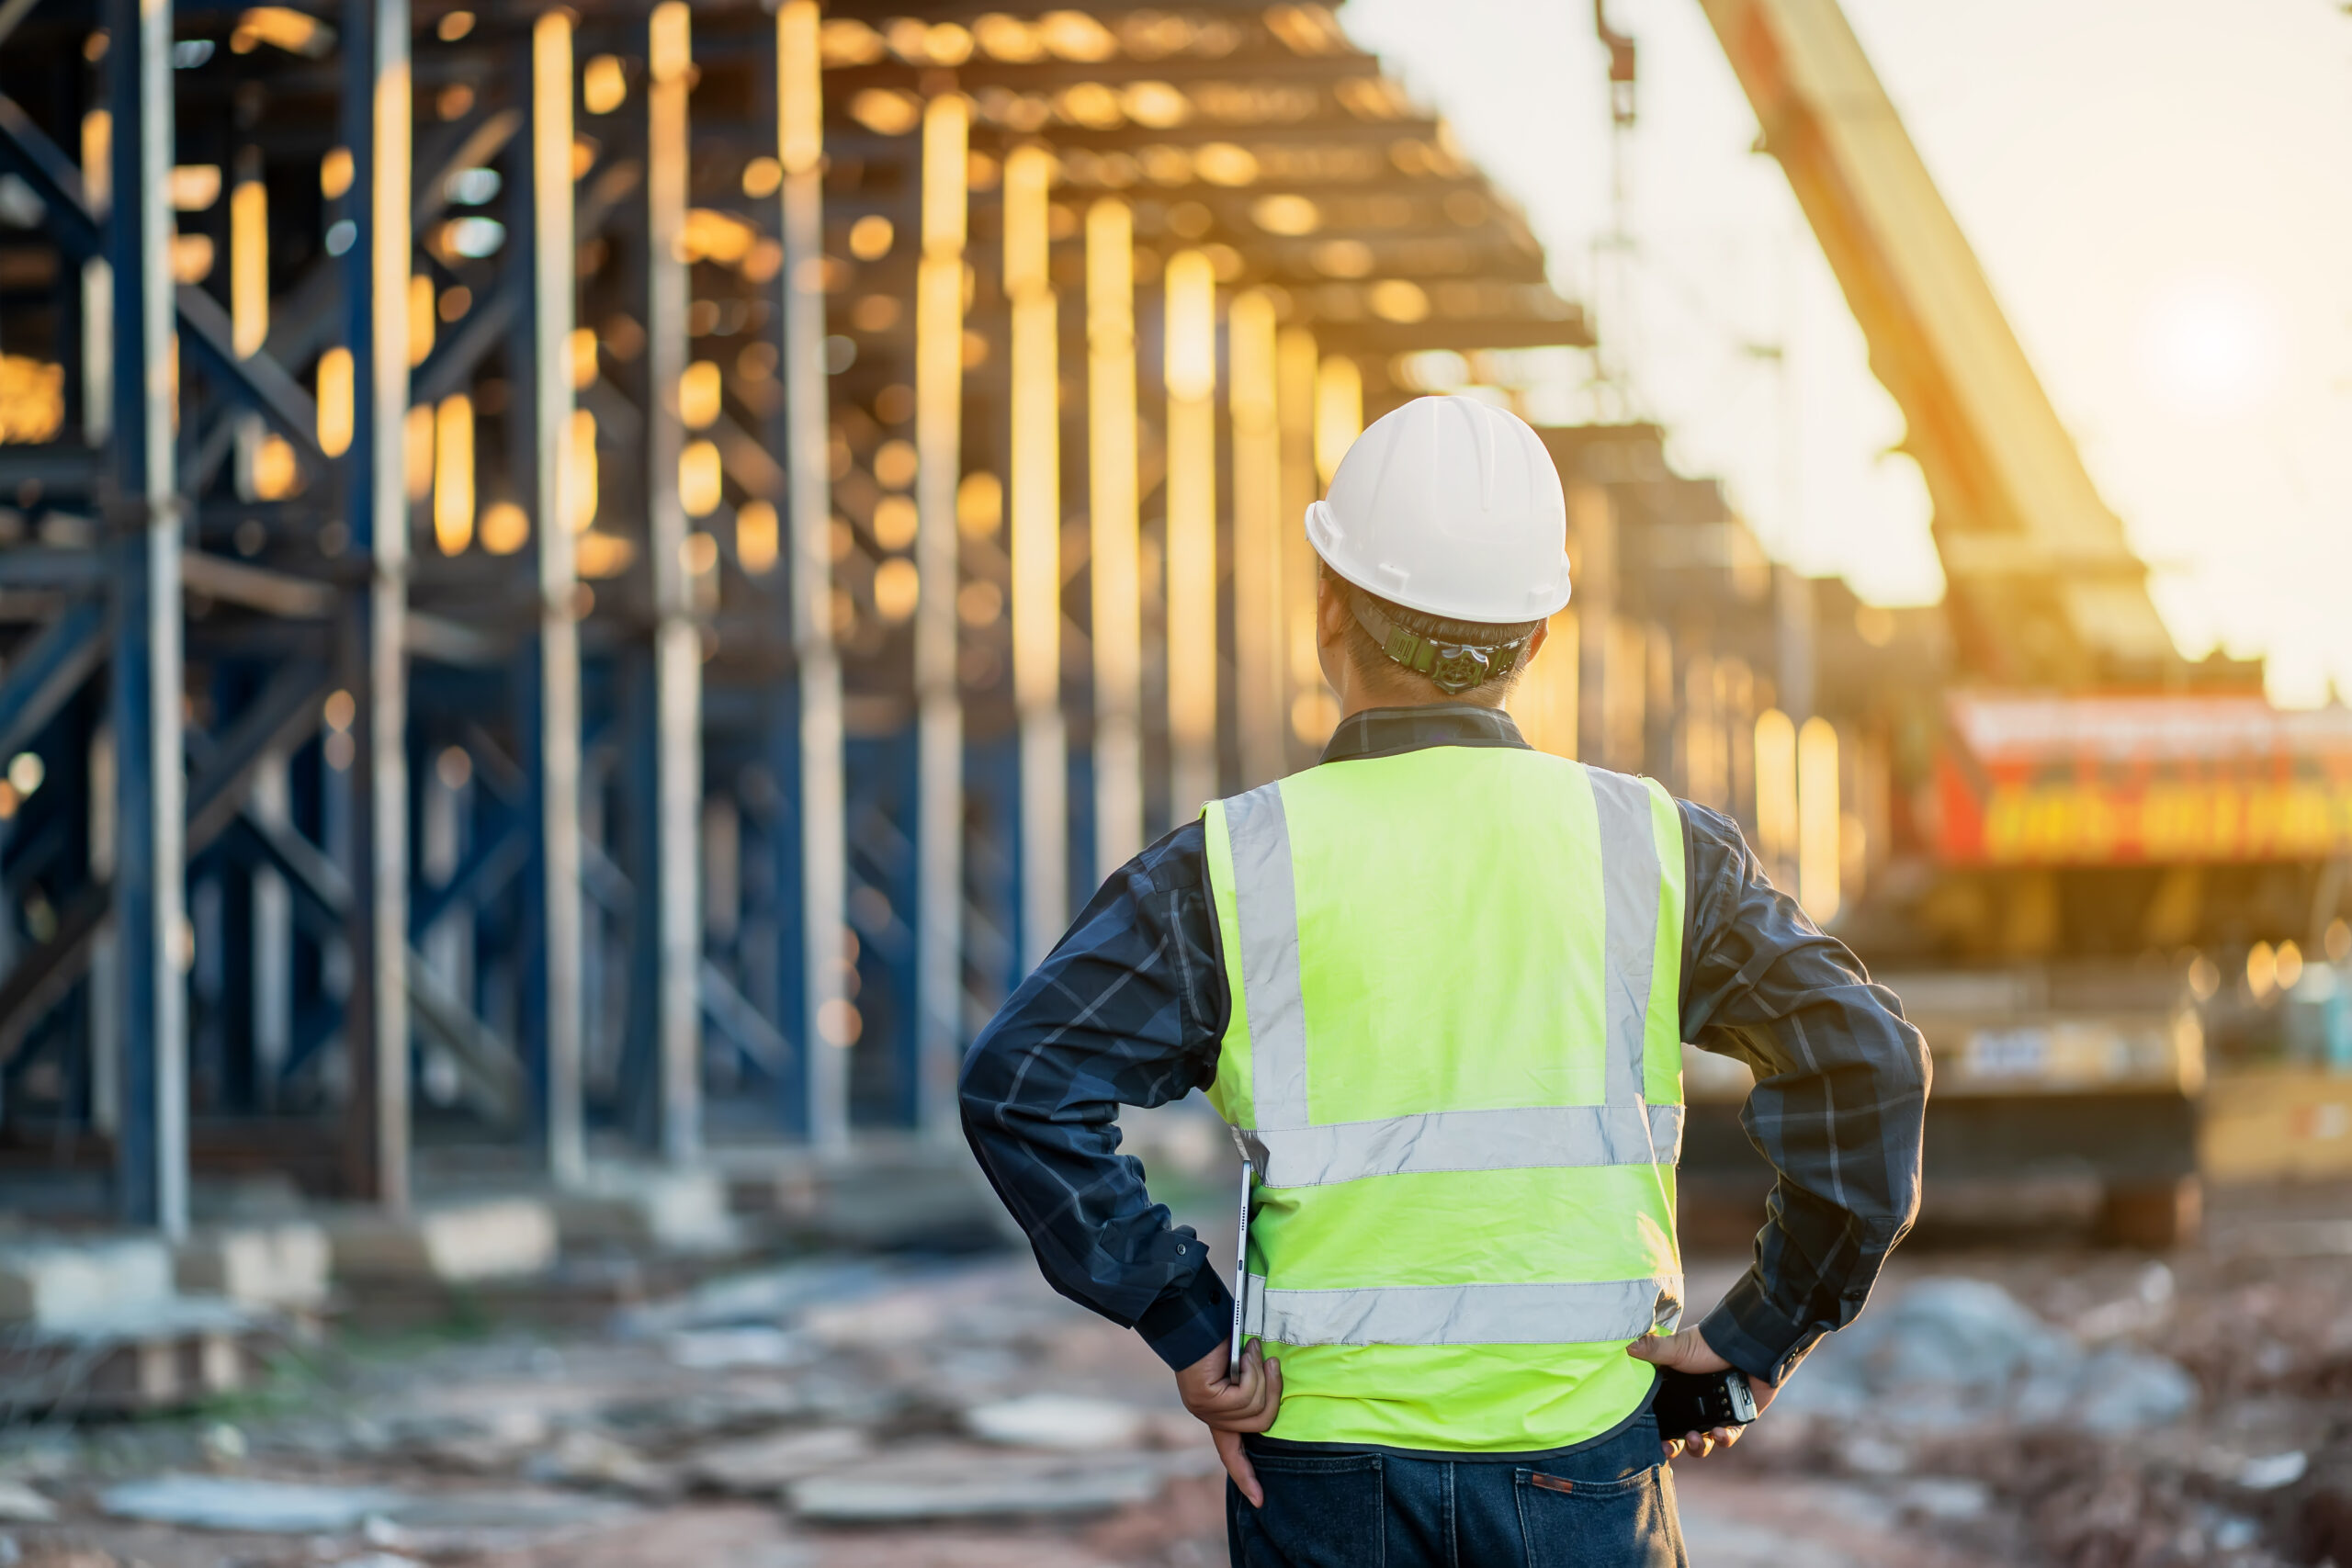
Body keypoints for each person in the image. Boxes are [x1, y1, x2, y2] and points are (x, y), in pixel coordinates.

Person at [961, 396, 1928, 1567]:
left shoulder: (1227, 867)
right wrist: (1762, 1331)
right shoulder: (1655, 849)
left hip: (1319, 1468)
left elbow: (1021, 1086)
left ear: (1328, 604)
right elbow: (1865, 1063)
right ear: (1534, 639)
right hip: (1581, 1455)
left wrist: (1190, 1325)